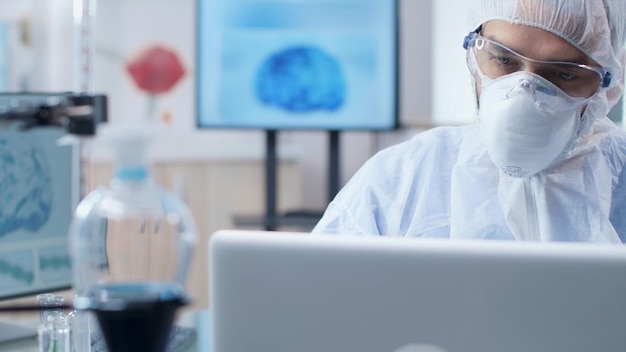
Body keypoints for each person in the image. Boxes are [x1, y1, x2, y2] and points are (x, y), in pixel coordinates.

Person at [312, 0, 626, 242]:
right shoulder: (401, 181)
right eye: (504, 60)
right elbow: (316, 302)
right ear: (474, 51)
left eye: (563, 74)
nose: (523, 95)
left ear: (608, 84)